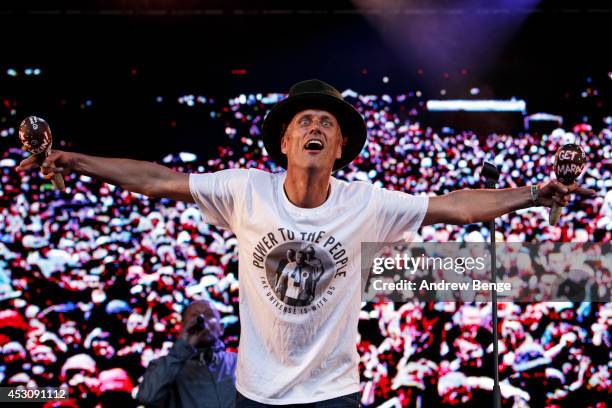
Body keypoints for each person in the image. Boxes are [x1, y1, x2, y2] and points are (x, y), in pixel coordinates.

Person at [15, 79, 596, 406]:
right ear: (284, 143)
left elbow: (455, 204)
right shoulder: (245, 191)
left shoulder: (365, 203)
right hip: (256, 394)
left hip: (334, 396)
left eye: (326, 124)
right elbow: (156, 178)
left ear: (341, 145)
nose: (314, 128)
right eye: (303, 123)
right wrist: (70, 157)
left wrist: (535, 195)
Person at [137, 300, 236, 408]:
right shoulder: (165, 366)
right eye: (194, 316)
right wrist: (182, 347)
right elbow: (148, 397)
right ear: (182, 327)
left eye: (208, 314)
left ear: (221, 328)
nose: (201, 319)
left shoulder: (238, 363)